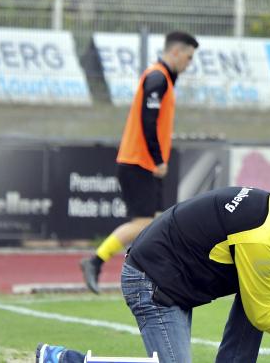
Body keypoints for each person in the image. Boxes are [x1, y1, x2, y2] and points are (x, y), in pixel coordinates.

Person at [39, 186, 270, 363]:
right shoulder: (262, 239)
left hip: (175, 275)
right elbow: (262, 316)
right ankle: (67, 361)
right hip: (152, 282)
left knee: (268, 281)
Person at [81, 31, 198, 294]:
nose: (189, 64)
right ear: (176, 52)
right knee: (143, 223)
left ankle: (156, 276)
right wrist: (157, 159)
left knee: (156, 222)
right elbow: (148, 120)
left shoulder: (164, 78)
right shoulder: (157, 77)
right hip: (139, 162)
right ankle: (95, 260)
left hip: (144, 162)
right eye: (188, 58)